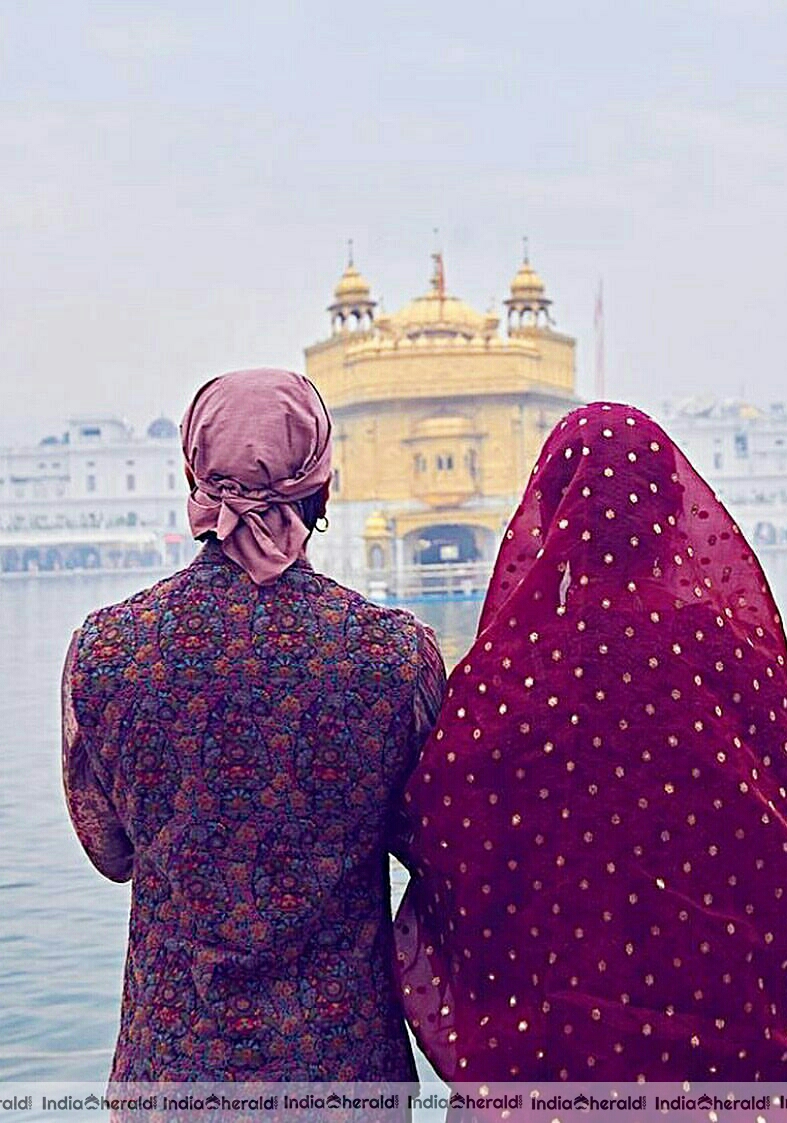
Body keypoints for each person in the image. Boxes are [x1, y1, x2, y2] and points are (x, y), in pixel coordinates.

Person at [395, 402, 787, 1085]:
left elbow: (441, 831)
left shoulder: (512, 673)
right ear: (670, 511)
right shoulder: (732, 656)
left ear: (550, 510)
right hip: (727, 1051)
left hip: (556, 1055)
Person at [62, 368, 446, 1085]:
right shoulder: (393, 656)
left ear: (197, 481)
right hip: (342, 1067)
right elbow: (430, 844)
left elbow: (110, 849)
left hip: (173, 1065)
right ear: (322, 485)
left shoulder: (107, 650)